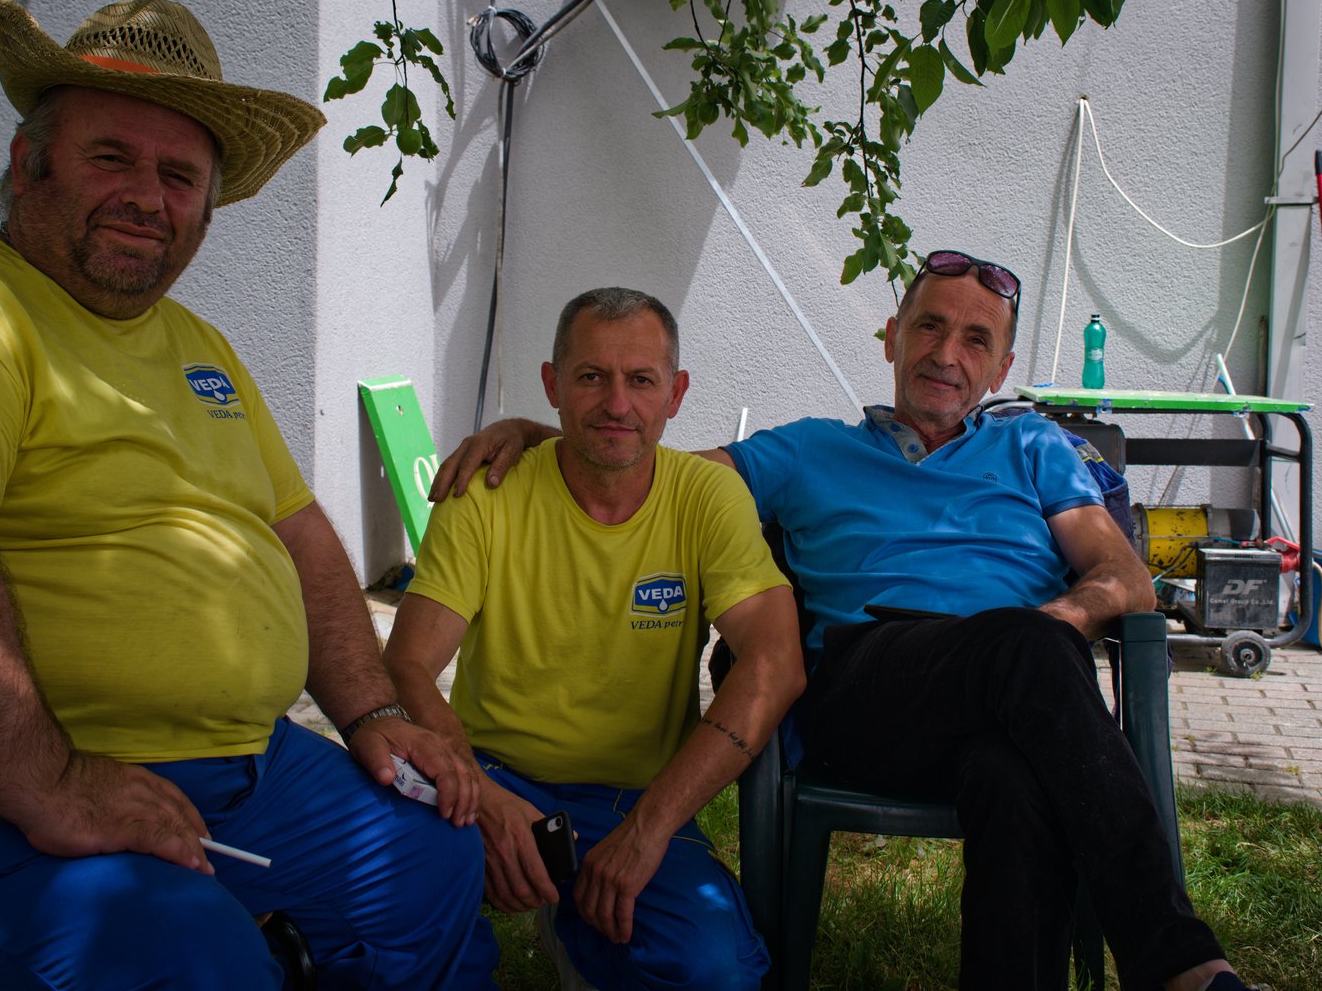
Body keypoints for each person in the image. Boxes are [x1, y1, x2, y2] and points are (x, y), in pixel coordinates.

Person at [0, 0, 497, 990]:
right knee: (182, 956)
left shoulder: (204, 351)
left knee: (429, 856)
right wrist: (51, 781)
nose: (147, 195)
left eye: (178, 174)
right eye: (112, 156)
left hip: (238, 770)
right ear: (30, 166)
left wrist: (370, 714)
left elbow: (302, 541)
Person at [431, 252, 1258, 991]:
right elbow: (641, 463)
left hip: (1020, 686)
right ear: (891, 336)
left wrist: (1050, 624)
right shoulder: (806, 451)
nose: (945, 352)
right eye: (928, 326)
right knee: (1028, 654)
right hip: (867, 687)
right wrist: (537, 433)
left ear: (1002, 366)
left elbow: (1123, 578)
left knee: (1013, 776)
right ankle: (1178, 962)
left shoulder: (1034, 449)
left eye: (975, 339)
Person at [385, 288, 805, 991]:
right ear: (552, 384)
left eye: (641, 379)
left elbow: (776, 664)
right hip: (489, 773)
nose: (617, 403)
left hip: (630, 796)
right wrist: (479, 795)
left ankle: (585, 926)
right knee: (387, 908)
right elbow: (406, 664)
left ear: (676, 393)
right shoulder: (487, 490)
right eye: (590, 376)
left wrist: (647, 832)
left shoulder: (708, 496)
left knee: (717, 970)